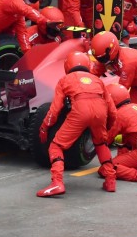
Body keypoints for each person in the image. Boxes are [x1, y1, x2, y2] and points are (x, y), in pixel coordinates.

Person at [36, 52, 117, 197]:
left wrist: (44, 127)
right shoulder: (97, 80)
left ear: (68, 65)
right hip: (100, 112)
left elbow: (54, 110)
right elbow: (112, 111)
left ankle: (57, 182)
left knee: (56, 146)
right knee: (100, 143)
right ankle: (110, 180)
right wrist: (108, 127)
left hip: (80, 111)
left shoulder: (65, 80)